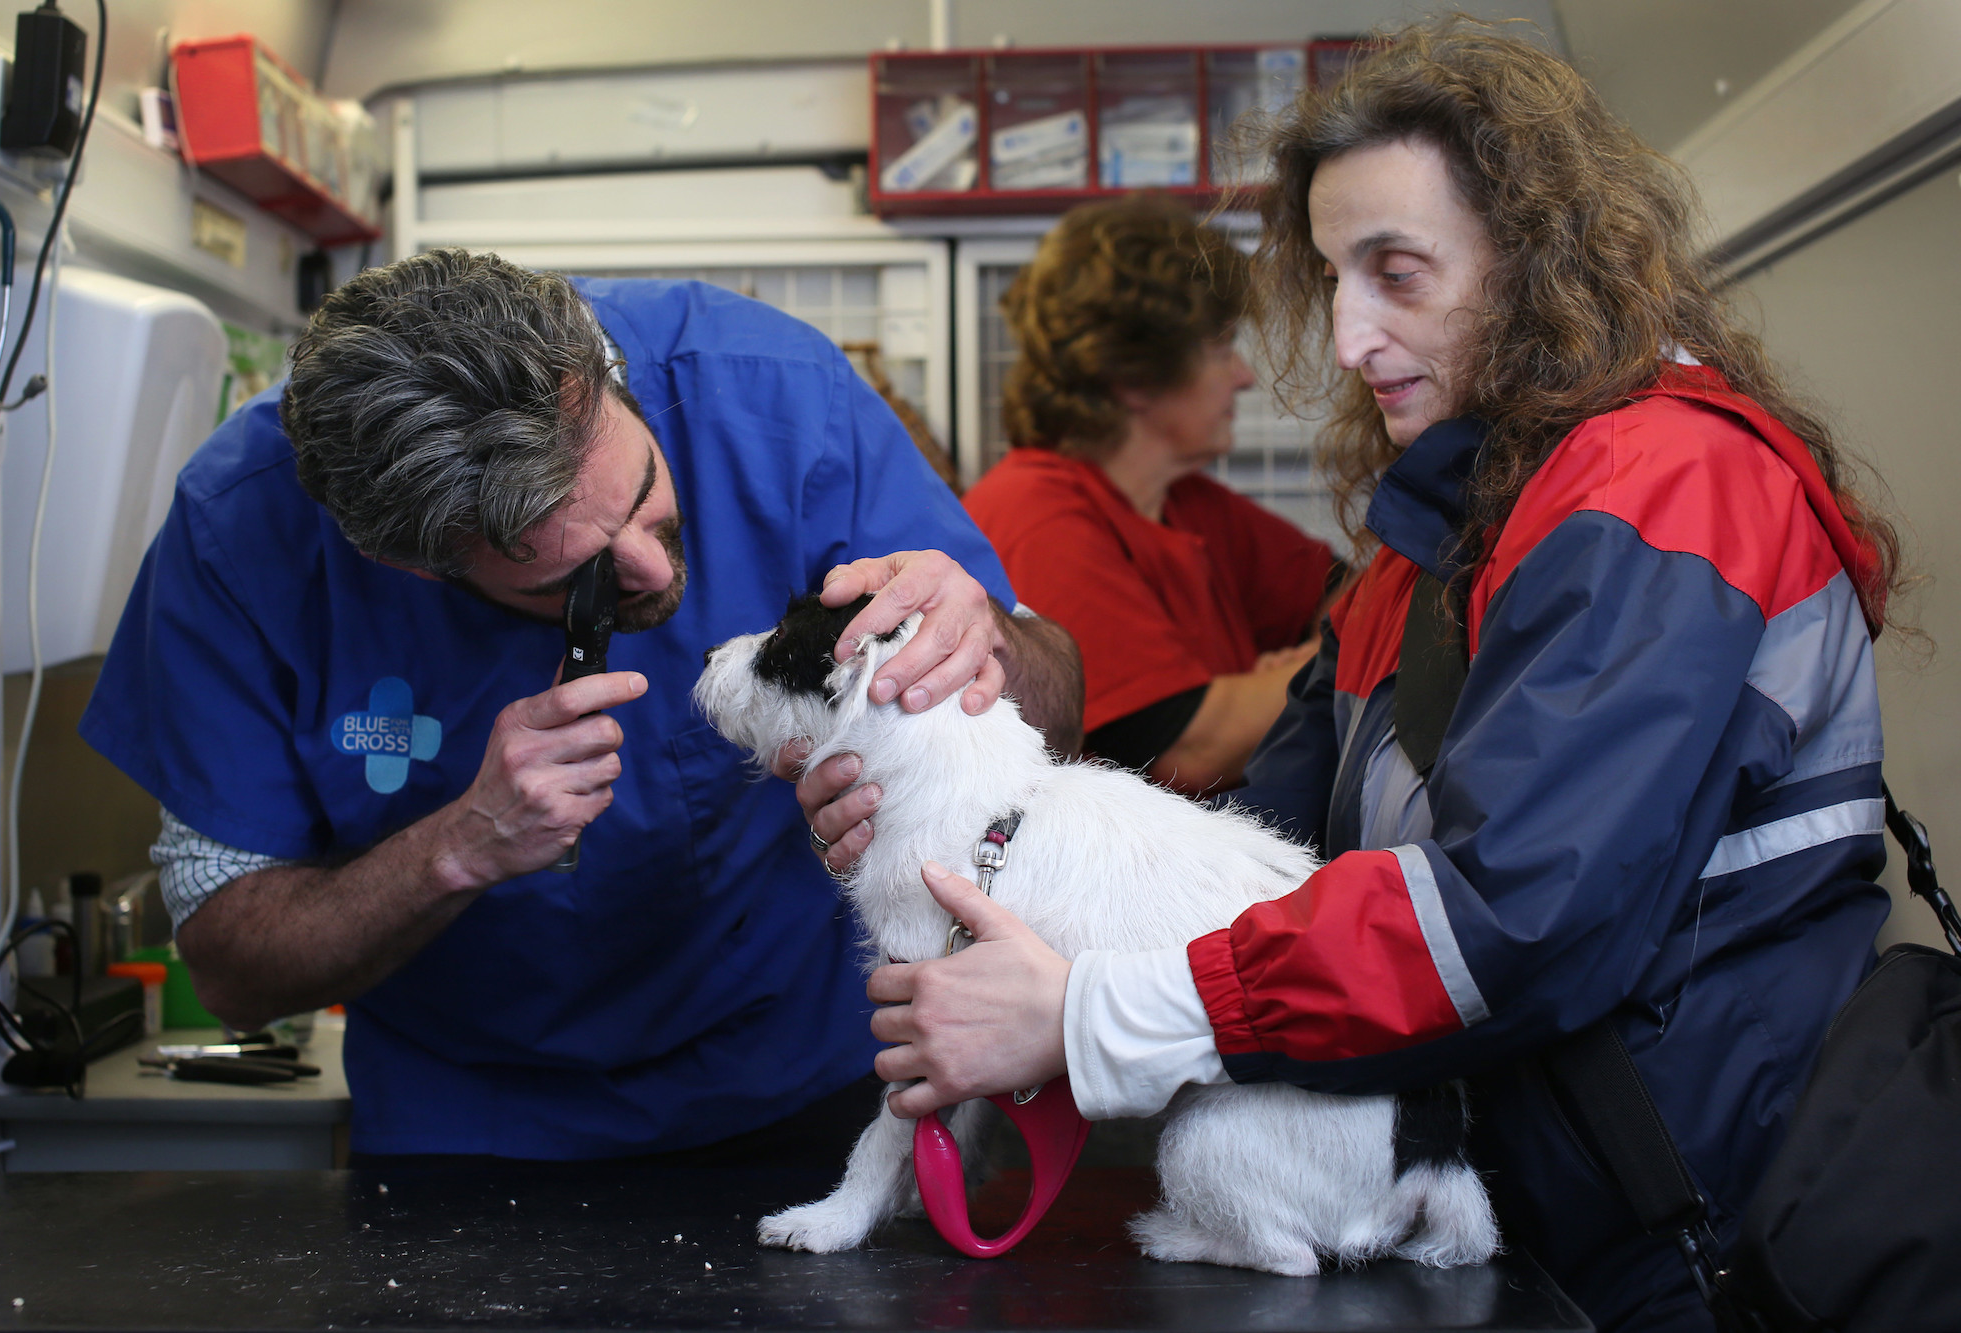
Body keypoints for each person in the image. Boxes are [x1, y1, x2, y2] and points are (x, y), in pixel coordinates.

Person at [806, 22, 1902, 1332]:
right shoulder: (1436, 542)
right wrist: (1008, 938)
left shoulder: (1669, 484)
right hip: (1494, 1209)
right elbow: (1262, 850)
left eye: (1398, 273)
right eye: (1332, 278)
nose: (1350, 334)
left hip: (1687, 1229)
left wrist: (1090, 1013)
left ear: (1537, 265)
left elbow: (1512, 916)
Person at [78, 249, 1081, 1164]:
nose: (651, 569)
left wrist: (980, 628)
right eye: (575, 576)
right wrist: (458, 847)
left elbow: (1057, 716)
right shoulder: (240, 534)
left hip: (815, 1080)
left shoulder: (780, 399)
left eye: (643, 490)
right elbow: (229, 964)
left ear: (600, 378)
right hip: (469, 1129)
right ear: (408, 566)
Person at [964, 195, 1338, 794]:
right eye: (1220, 349)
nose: (1242, 376)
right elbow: (1186, 749)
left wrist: (1297, 670)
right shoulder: (1040, 518)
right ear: (1133, 377)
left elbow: (1348, 595)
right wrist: (1321, 664)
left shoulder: (1180, 498)